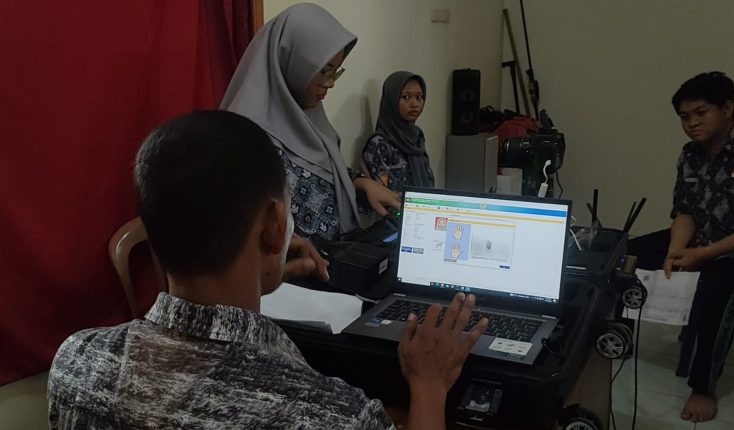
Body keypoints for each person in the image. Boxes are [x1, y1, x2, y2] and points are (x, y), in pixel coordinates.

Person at [47, 110, 488, 429]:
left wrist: (262, 270)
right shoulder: (329, 415)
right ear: (276, 225)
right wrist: (429, 386)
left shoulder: (75, 362)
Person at [221, 3, 400, 240]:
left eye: (335, 71)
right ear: (291, 61)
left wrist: (360, 183)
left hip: (334, 257)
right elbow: (239, 238)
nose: (330, 83)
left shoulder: (309, 117)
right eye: (324, 71)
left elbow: (320, 172)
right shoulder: (244, 141)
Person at [631, 71, 734, 423]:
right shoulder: (689, 155)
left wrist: (704, 254)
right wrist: (676, 249)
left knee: (716, 292)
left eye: (701, 113)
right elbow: (684, 211)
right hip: (698, 240)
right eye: (685, 117)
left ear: (727, 109)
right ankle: (614, 337)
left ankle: (702, 387)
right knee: (624, 256)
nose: (692, 123)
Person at [361, 71, 434, 192]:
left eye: (419, 97)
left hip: (424, 202)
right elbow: (382, 192)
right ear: (392, 100)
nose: (414, 104)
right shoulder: (380, 143)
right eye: (406, 97)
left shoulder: (417, 137)